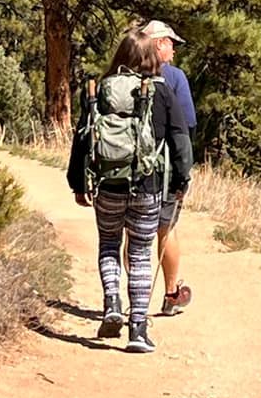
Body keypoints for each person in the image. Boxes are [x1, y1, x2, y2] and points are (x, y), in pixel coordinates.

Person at [68, 27, 192, 353]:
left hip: (107, 184)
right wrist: (181, 180)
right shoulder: (162, 92)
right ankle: (137, 329)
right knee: (139, 253)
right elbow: (180, 140)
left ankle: (111, 302)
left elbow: (83, 138)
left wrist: (78, 183)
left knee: (109, 244)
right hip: (147, 186)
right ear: (150, 56)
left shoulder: (98, 90)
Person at [141, 19, 196, 315]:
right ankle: (171, 294)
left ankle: (131, 295)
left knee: (134, 232)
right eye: (171, 44)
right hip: (163, 171)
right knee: (166, 228)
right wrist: (183, 171)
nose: (174, 51)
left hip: (129, 169)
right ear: (159, 44)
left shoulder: (126, 75)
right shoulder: (174, 78)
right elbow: (187, 127)